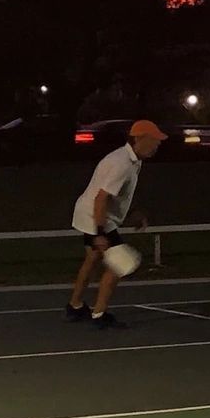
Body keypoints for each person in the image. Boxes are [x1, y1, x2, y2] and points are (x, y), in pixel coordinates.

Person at [66, 120, 165, 328]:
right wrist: (100, 232)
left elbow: (119, 195)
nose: (157, 145)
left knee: (92, 259)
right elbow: (101, 199)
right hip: (96, 217)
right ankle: (100, 314)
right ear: (139, 139)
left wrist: (134, 213)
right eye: (154, 141)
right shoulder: (122, 164)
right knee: (119, 264)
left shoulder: (131, 160)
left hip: (89, 213)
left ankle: (75, 306)